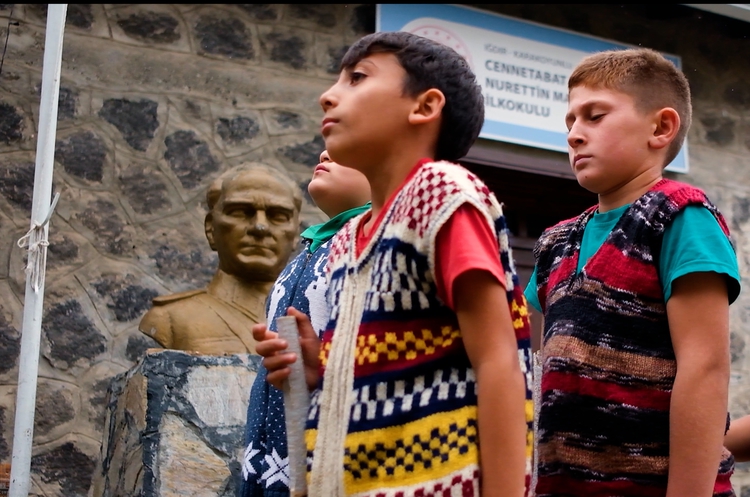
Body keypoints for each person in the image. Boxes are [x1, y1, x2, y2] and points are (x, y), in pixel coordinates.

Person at [254, 31, 533, 497]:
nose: (328, 95)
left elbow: (498, 361)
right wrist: (317, 371)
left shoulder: (442, 195)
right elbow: (387, 378)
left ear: (424, 107)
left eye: (357, 78)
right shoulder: (347, 241)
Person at [524, 48, 741, 496]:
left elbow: (705, 369)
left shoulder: (680, 216)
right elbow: (522, 366)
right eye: (570, 122)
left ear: (660, 127)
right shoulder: (554, 243)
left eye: (594, 116)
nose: (574, 135)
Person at [240, 150, 371, 497]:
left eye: (345, 151)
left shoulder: (374, 247)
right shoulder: (308, 251)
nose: (325, 152)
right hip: (270, 449)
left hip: (334, 456)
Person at [139, 163, 302, 355]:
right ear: (210, 229)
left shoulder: (313, 320)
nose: (260, 227)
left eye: (278, 216)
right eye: (240, 212)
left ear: (296, 234)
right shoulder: (170, 318)